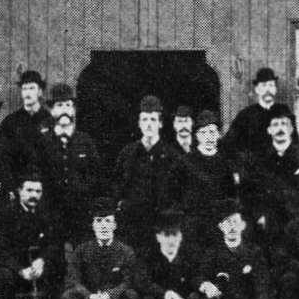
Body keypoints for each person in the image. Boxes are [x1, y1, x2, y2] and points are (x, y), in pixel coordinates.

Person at [0, 171, 62, 299]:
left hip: (38, 267)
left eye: (38, 191)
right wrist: (21, 270)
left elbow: (54, 243)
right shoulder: (5, 214)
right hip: (15, 268)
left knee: (57, 271)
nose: (33, 195)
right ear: (20, 191)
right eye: (29, 190)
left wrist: (42, 260)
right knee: (3, 277)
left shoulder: (47, 214)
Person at [114, 94, 184, 247]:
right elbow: (117, 185)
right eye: (145, 119)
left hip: (163, 225)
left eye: (153, 119)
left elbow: (180, 191)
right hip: (133, 226)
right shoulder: (128, 153)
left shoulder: (173, 155)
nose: (149, 124)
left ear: (160, 123)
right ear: (139, 123)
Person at [244, 110, 299, 246]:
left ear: (291, 129)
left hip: (298, 219)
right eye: (275, 124)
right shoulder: (259, 158)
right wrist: (259, 215)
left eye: (284, 124)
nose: (280, 128)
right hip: (269, 221)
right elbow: (250, 190)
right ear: (269, 130)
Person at [40, 90, 103, 245]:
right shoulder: (42, 143)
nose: (65, 110)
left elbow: (96, 174)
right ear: (52, 110)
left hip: (80, 212)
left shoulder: (85, 141)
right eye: (59, 105)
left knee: (82, 255)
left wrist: (82, 190)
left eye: (68, 105)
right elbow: (37, 174)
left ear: (73, 110)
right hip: (51, 211)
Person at [180, 109, 240, 245]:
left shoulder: (225, 164)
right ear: (196, 136)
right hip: (192, 226)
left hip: (219, 226)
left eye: (212, 132)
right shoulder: (185, 162)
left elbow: (232, 196)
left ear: (219, 135)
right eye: (203, 132)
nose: (208, 137)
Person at [225, 67, 296, 161]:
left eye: (271, 85)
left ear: (275, 89)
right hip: (255, 170)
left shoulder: (284, 111)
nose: (268, 90)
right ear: (257, 89)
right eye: (264, 85)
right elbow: (229, 144)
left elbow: (295, 142)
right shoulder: (245, 115)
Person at [0, 69, 52, 179]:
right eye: (24, 89)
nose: (27, 93)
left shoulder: (50, 121)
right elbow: (1, 155)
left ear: (40, 91)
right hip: (18, 181)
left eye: (32, 88)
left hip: (45, 182)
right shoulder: (10, 122)